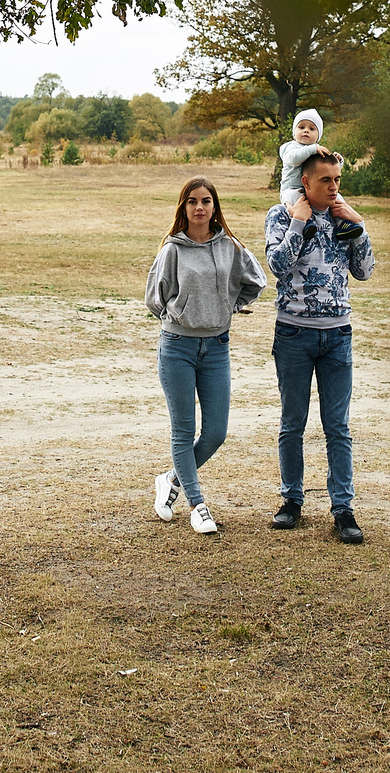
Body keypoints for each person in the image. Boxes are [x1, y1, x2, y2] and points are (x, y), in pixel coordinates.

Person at [263, 146, 373, 543]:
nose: (333, 187)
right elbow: (277, 266)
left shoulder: (344, 217)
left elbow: (365, 271)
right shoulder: (281, 215)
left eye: (337, 180)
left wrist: (359, 226)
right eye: (325, 180)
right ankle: (291, 501)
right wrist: (298, 222)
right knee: (292, 424)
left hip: (338, 335)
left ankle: (343, 508)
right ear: (305, 181)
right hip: (294, 333)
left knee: (338, 427)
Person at [144, 175, 264, 536]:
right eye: (193, 201)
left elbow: (255, 281)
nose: (199, 207)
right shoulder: (172, 250)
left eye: (206, 201)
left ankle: (171, 479)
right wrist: (181, 315)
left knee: (215, 433)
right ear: (184, 207)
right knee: (183, 431)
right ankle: (198, 506)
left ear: (215, 207)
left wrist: (226, 307)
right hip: (177, 347)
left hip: (217, 348)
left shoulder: (230, 246)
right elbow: (154, 298)